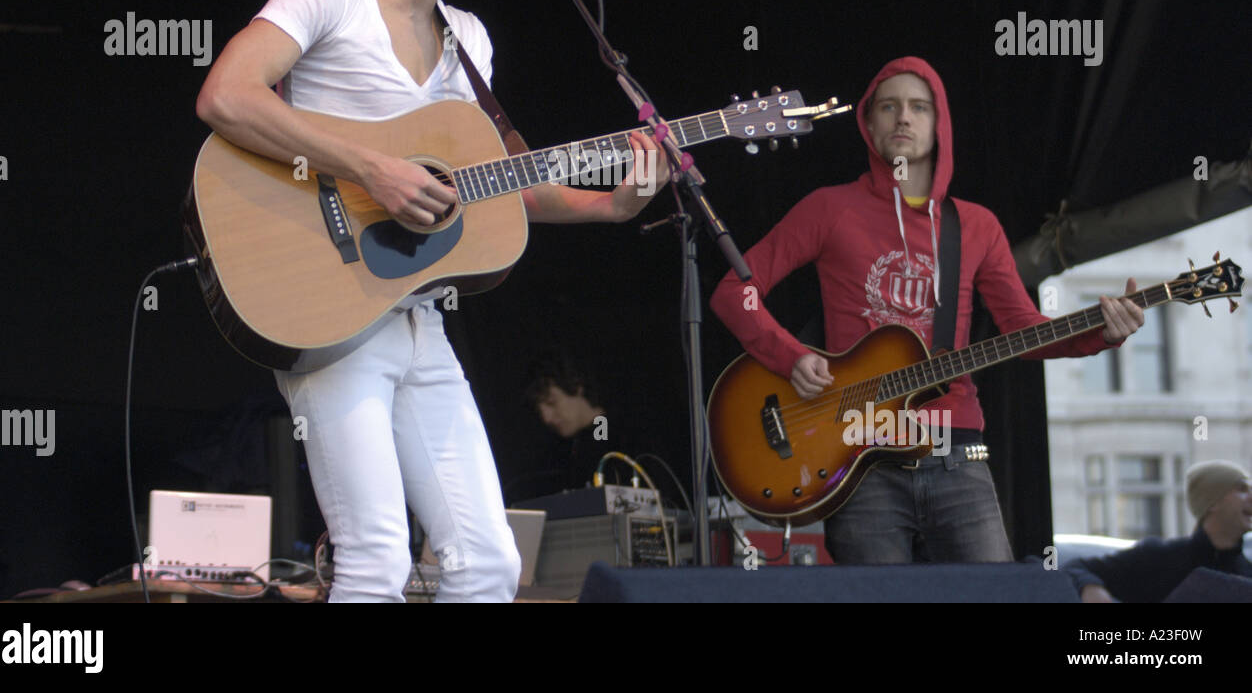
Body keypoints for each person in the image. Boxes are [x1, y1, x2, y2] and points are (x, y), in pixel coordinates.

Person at [195, 0, 667, 601]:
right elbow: (225, 96)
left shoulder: (469, 41)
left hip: (420, 319)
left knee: (488, 564)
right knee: (375, 559)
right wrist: (370, 168)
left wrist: (609, 208)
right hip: (329, 308)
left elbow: (499, 181)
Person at [709, 56, 1144, 563]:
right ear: (867, 124)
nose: (903, 118)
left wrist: (1102, 333)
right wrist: (790, 357)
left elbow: (1024, 331)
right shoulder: (829, 209)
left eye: (919, 107)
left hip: (955, 453)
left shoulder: (976, 225)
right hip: (858, 457)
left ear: (940, 127)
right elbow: (731, 291)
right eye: (888, 107)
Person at [1068, 460, 1252, 602]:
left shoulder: (1246, 572)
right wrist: (1091, 587)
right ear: (1213, 502)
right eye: (1242, 489)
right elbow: (1074, 568)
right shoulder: (1157, 557)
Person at [526, 351, 625, 490]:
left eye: (551, 402)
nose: (546, 418)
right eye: (539, 411)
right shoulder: (555, 453)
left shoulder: (604, 428)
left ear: (576, 385)